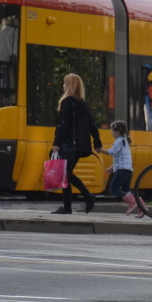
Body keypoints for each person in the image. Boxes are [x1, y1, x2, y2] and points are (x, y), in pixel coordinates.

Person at [50, 73, 102, 214]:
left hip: (69, 145)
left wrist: (56, 143)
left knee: (65, 174)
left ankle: (83, 198)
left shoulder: (68, 102)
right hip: (81, 146)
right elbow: (92, 125)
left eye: (65, 83)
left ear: (70, 86)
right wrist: (97, 142)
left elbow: (63, 124)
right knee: (66, 174)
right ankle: (77, 201)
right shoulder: (82, 104)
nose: (63, 85)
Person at [104, 121, 144, 217]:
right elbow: (121, 157)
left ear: (118, 131)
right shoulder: (125, 140)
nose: (111, 132)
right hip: (128, 170)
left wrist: (100, 150)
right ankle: (142, 208)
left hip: (122, 170)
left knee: (113, 188)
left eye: (112, 130)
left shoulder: (119, 140)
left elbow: (112, 152)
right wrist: (111, 167)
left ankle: (132, 203)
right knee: (127, 191)